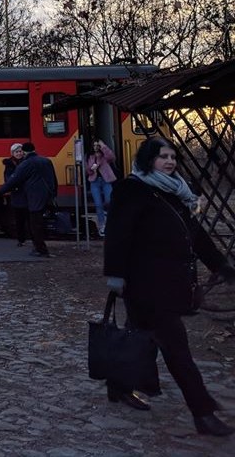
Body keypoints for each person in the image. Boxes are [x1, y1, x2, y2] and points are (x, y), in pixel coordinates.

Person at [104, 136, 235, 437]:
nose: (170, 161)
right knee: (177, 349)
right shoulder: (132, 189)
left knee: (143, 339)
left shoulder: (173, 192)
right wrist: (115, 275)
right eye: (163, 156)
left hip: (169, 283)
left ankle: (119, 385)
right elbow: (117, 235)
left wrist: (221, 266)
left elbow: (195, 235)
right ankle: (203, 412)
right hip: (144, 286)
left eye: (173, 156)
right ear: (148, 159)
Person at [0, 142, 58, 257]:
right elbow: (54, 179)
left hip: (34, 198)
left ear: (24, 152)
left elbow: (14, 180)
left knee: (36, 225)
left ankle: (41, 250)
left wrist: (1, 191)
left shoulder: (26, 164)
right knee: (39, 223)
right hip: (46, 197)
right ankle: (40, 248)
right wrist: (54, 194)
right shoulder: (46, 161)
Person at [86, 139, 117, 236]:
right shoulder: (88, 156)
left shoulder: (104, 156)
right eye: (94, 145)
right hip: (94, 182)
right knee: (98, 204)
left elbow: (112, 157)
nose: (96, 147)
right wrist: (91, 170)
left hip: (106, 181)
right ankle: (102, 226)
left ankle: (109, 221)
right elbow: (86, 170)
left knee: (109, 201)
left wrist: (103, 146)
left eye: (97, 145)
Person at [2, 143, 28, 247]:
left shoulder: (26, 162)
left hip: (25, 193)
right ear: (13, 153)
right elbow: (8, 178)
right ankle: (21, 239)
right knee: (19, 217)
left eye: (20, 151)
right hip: (17, 193)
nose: (19, 153)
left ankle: (25, 238)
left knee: (26, 216)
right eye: (16, 152)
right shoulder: (10, 164)